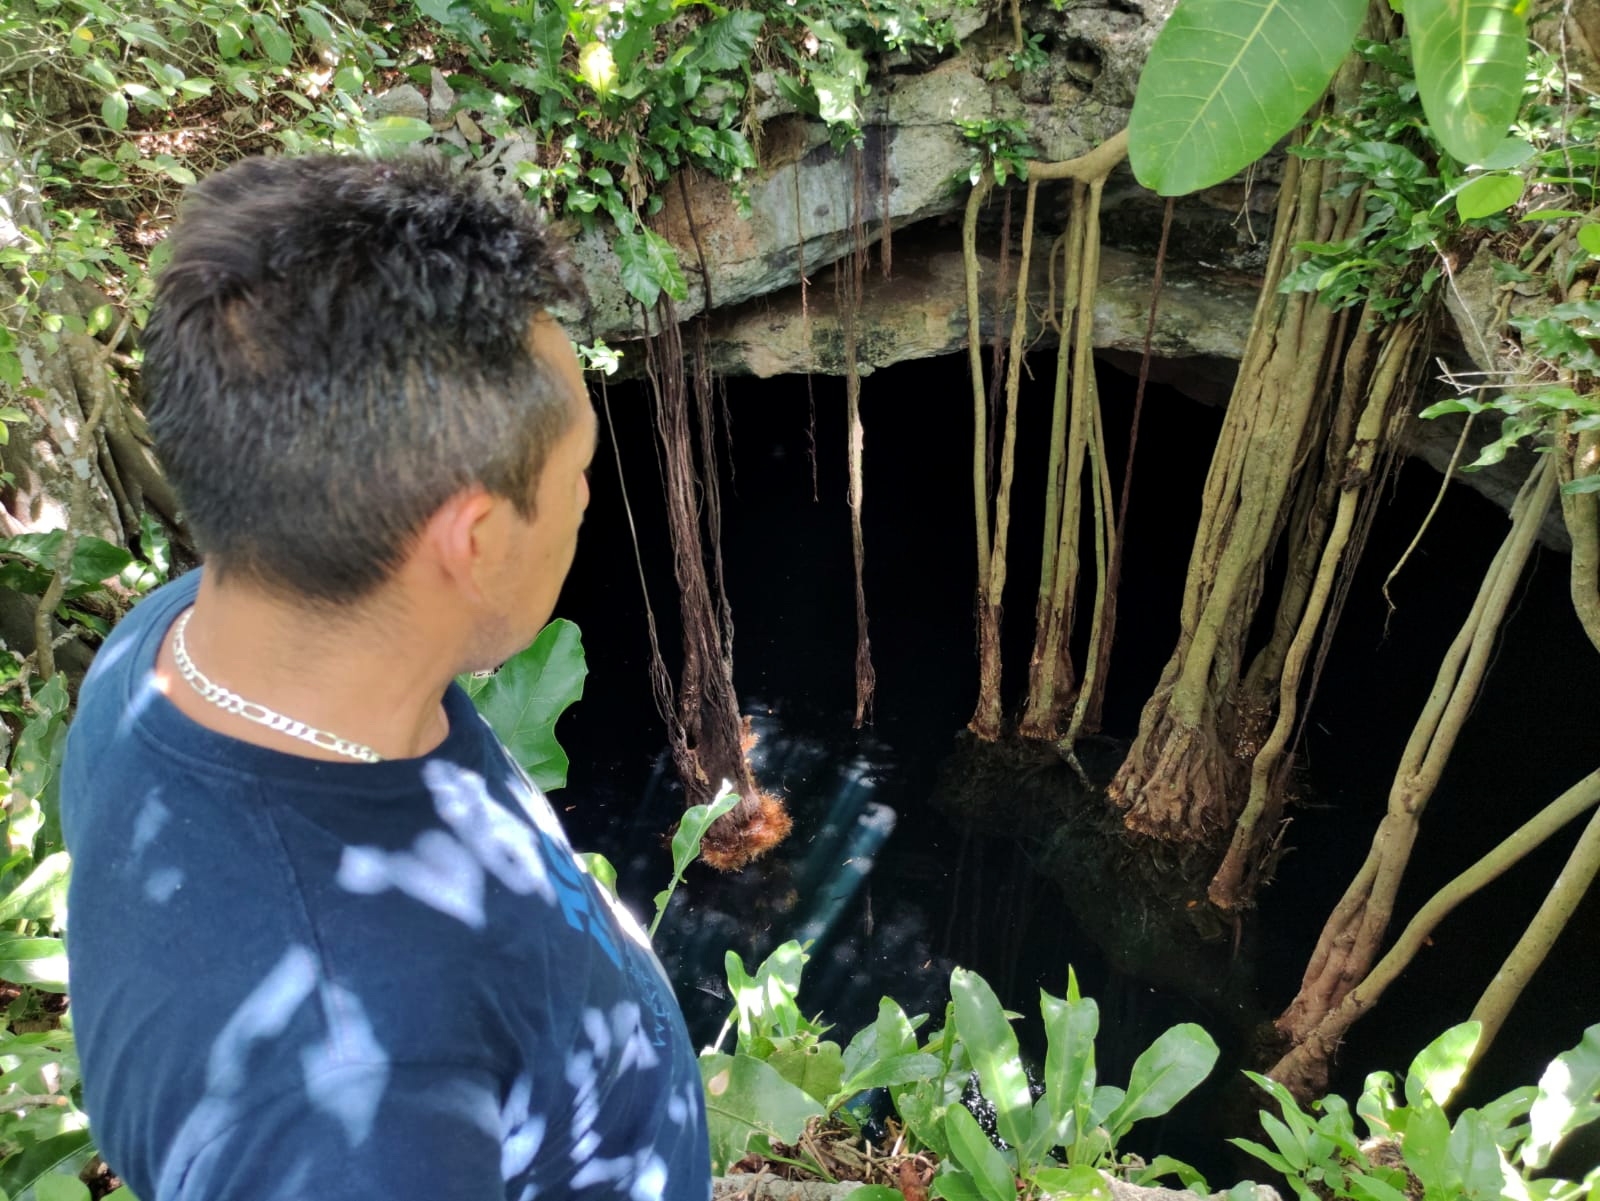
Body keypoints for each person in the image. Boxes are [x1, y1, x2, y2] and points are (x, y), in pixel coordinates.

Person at [60, 154, 711, 1201]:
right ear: (475, 539)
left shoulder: (172, 643)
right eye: (579, 476)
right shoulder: (351, 1103)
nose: (588, 500)